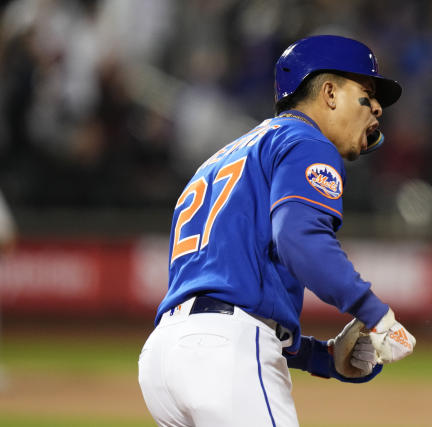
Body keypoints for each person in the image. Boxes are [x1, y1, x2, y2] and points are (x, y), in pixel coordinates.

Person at [138, 34, 416, 427]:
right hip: (224, 356)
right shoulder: (306, 141)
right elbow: (299, 240)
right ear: (330, 93)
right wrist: (375, 314)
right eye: (367, 93)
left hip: (163, 359)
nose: (376, 108)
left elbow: (226, 296)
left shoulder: (221, 160)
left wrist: (320, 357)